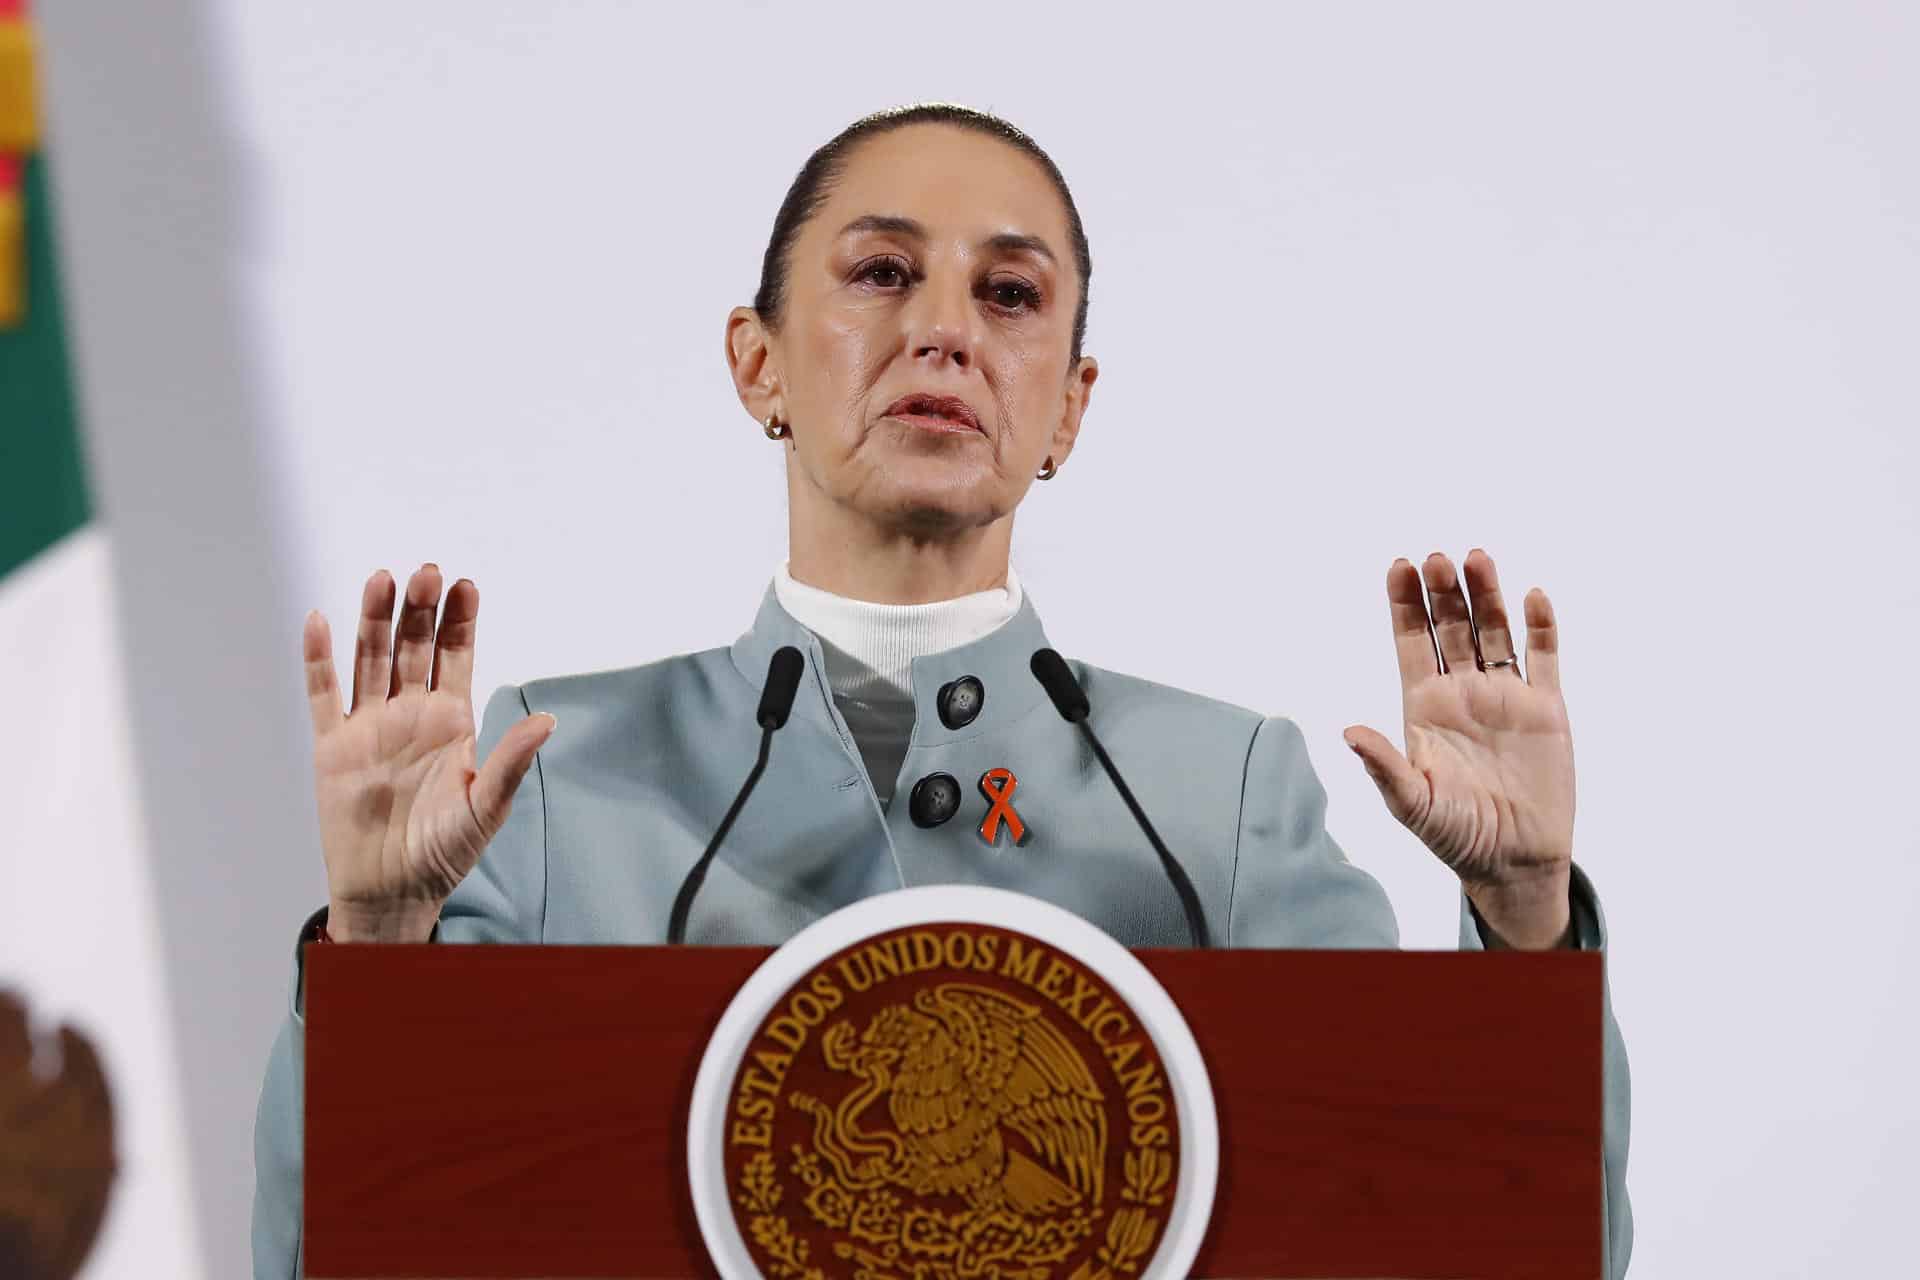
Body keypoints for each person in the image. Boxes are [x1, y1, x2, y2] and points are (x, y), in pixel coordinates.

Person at [252, 104, 1632, 1277]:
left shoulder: (1220, 794)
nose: (945, 333)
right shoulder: (555, 774)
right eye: (881, 274)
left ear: (1069, 410)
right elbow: (342, 1254)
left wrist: (1522, 924)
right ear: (758, 363)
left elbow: (1469, 1242)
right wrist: (375, 947)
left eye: (1011, 295)